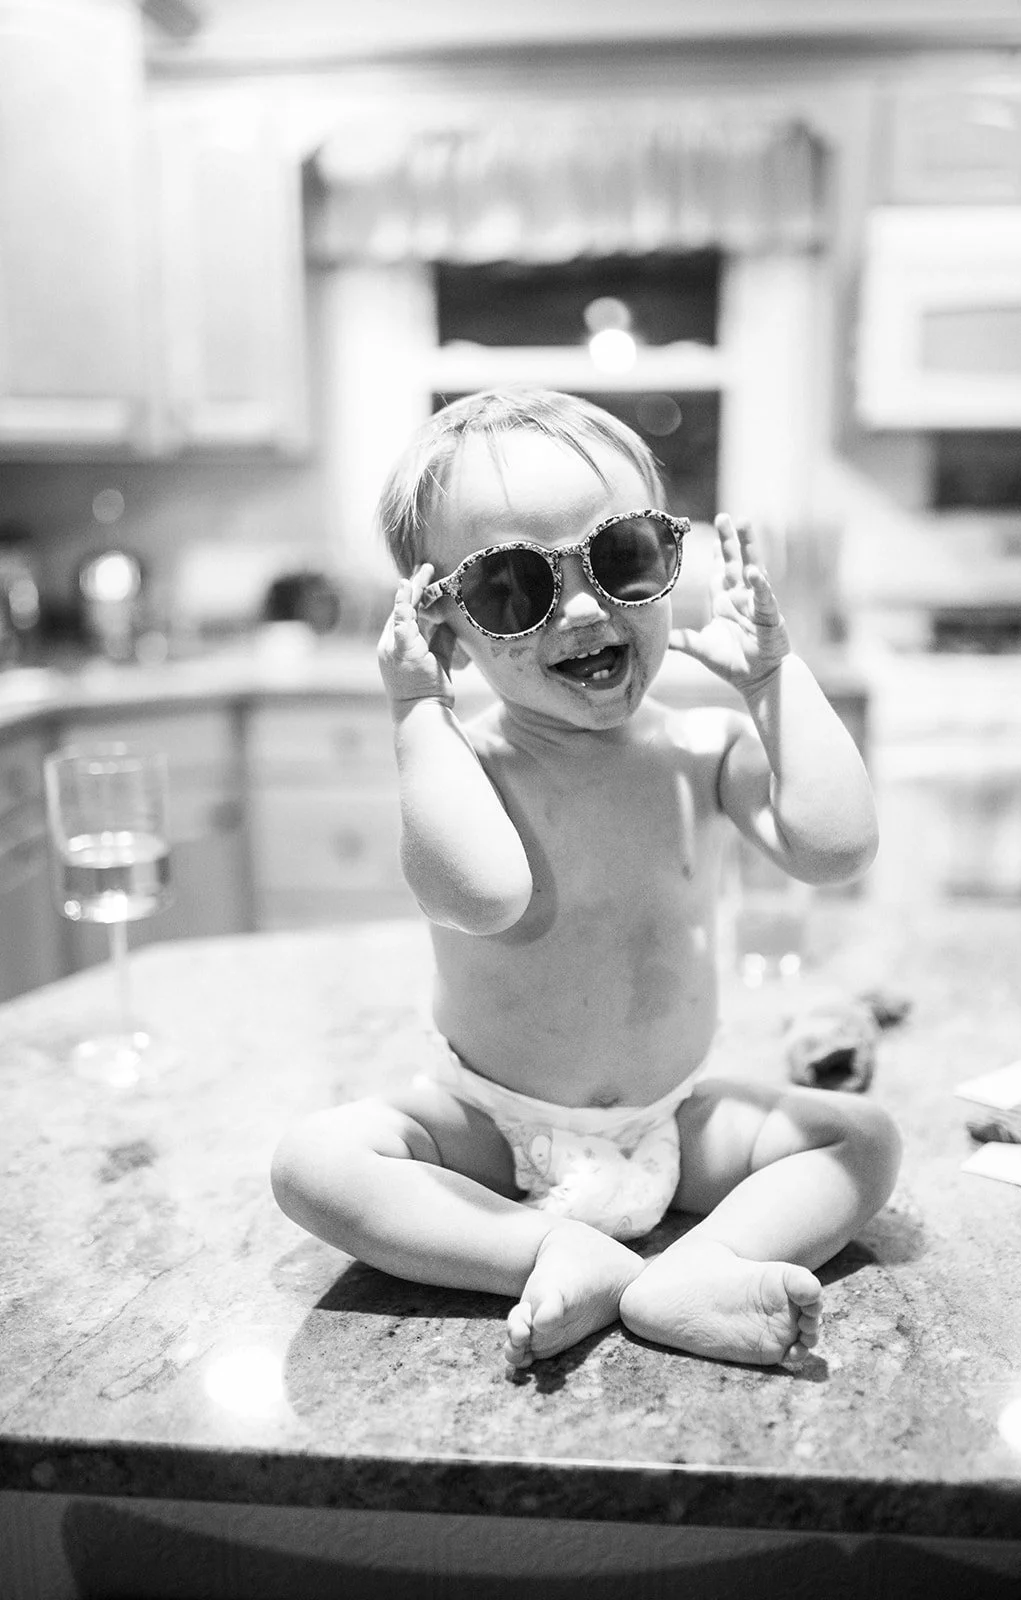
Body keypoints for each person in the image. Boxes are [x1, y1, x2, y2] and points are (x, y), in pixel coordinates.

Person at [271, 387, 902, 1373]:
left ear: (663, 561)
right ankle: (546, 1246)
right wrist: (414, 707)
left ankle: (698, 1268)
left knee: (859, 1139)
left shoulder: (702, 745)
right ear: (450, 624)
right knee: (315, 1162)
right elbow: (482, 893)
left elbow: (833, 848)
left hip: (674, 1119)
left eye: (620, 558)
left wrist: (775, 676)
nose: (578, 606)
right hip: (489, 1125)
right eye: (512, 588)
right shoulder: (466, 764)